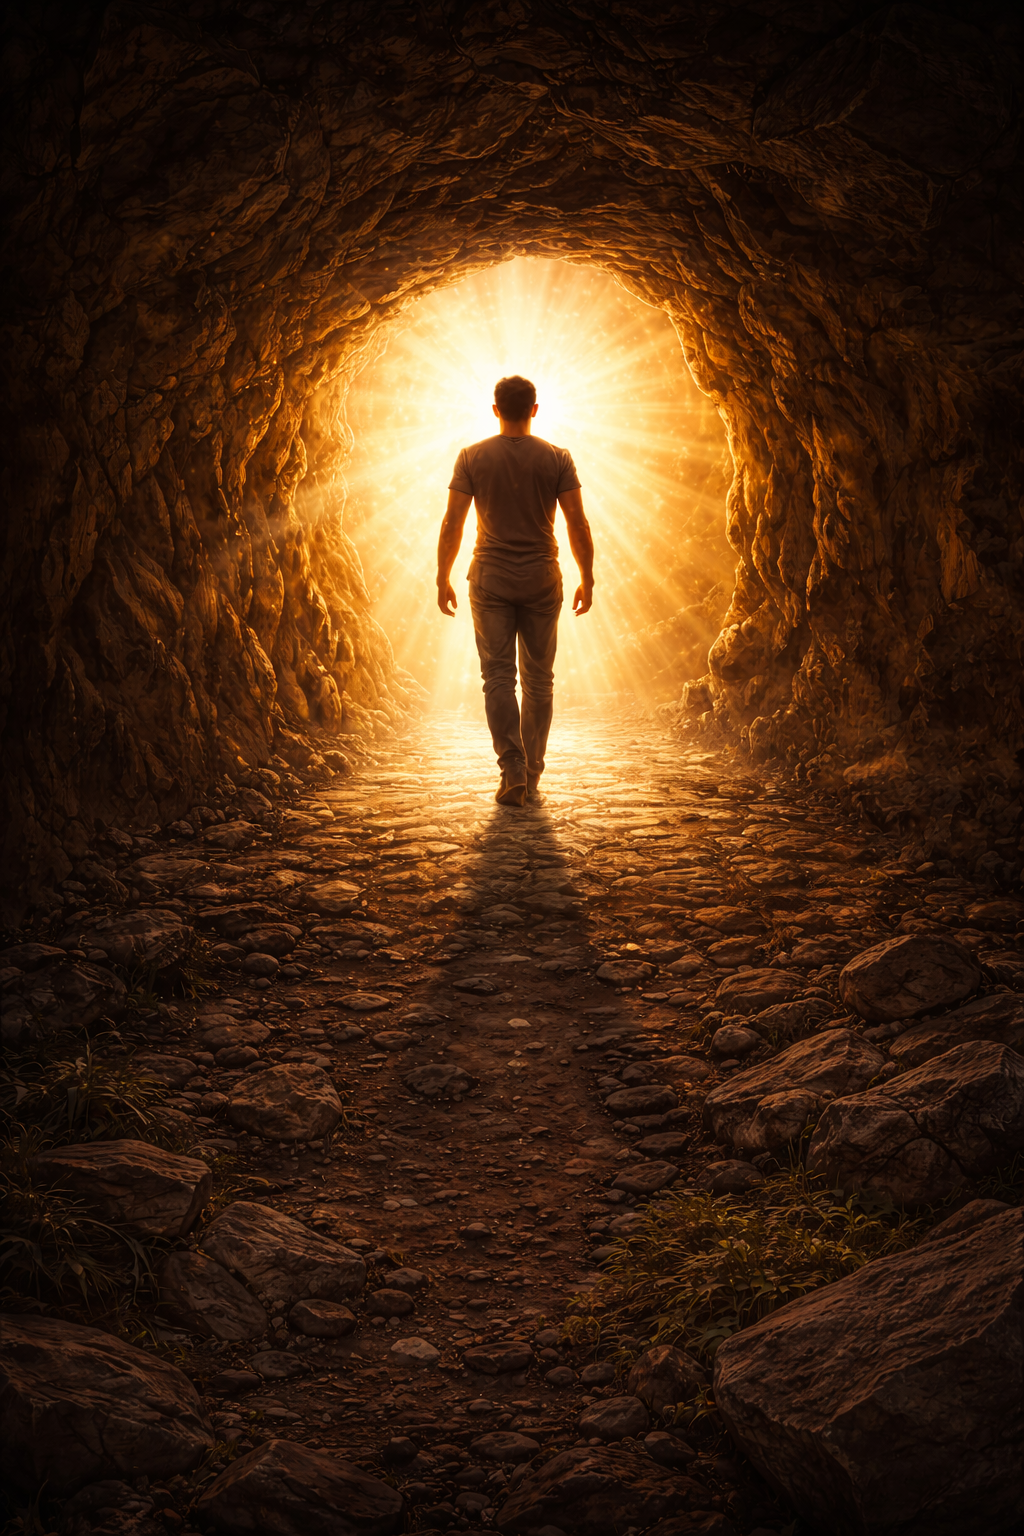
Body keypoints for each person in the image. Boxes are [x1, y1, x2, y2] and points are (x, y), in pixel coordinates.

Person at [436, 374, 595, 806]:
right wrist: (587, 575)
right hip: (543, 578)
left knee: (498, 678)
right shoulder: (558, 458)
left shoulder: (471, 457)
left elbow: (454, 522)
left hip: (490, 579)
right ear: (535, 410)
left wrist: (442, 575)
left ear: (495, 410)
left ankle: (512, 768)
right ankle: (533, 772)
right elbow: (576, 522)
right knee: (540, 681)